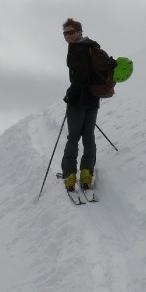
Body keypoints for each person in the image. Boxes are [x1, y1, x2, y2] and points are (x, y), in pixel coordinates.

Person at [60, 18, 101, 191]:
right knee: (89, 137)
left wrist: (70, 95)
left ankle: (70, 177)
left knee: (73, 137)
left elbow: (80, 78)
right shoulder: (93, 47)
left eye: (71, 32)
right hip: (93, 100)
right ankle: (86, 175)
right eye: (65, 33)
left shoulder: (79, 49)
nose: (67, 36)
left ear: (79, 31)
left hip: (79, 101)